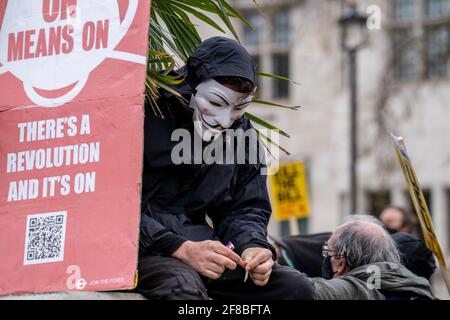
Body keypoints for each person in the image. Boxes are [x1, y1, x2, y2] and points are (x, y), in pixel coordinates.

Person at [136, 37, 315, 300]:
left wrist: (252, 245)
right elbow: (112, 203)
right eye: (217, 103)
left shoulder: (241, 133)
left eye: (239, 108)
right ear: (192, 86)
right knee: (182, 288)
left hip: (205, 248)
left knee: (294, 287)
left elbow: (245, 206)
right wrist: (179, 247)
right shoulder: (144, 110)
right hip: (145, 249)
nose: (224, 120)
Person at [312, 215, 434, 300]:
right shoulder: (417, 290)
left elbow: (300, 287)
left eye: (328, 251)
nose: (326, 258)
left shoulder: (343, 293)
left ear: (341, 263)